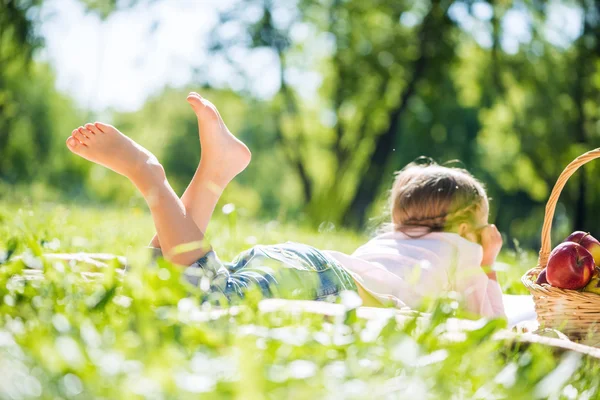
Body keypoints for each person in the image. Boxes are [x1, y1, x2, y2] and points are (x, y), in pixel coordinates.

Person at [65, 92, 504, 317]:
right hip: (327, 283)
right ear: (466, 229)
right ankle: (150, 176)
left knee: (171, 287)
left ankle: (213, 176)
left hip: (300, 263)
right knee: (211, 301)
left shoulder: (392, 242)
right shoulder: (462, 250)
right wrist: (487, 262)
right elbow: (485, 324)